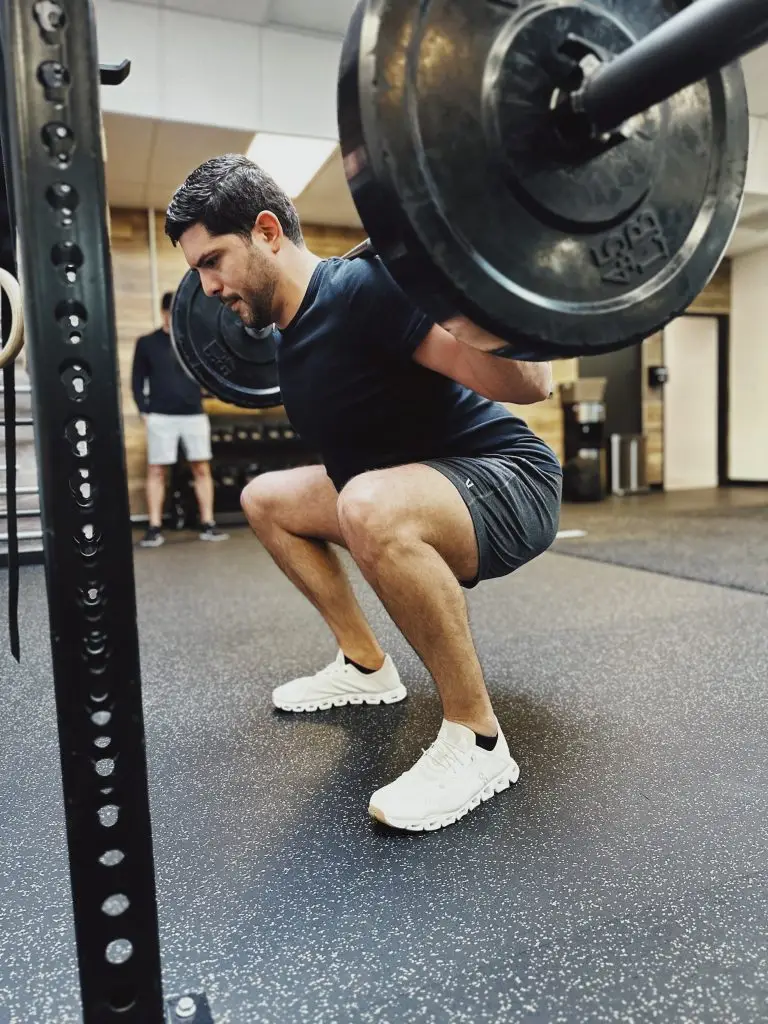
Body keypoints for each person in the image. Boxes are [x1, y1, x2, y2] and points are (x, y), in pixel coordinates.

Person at [164, 155, 562, 832]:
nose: (204, 288)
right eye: (197, 270)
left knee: (366, 504)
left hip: (506, 477)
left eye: (213, 262)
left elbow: (529, 385)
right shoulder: (289, 332)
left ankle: (479, 740)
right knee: (266, 498)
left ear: (266, 231)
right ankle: (366, 666)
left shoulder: (364, 288)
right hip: (409, 480)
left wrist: (478, 277)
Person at [131, 291, 229, 547]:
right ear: (163, 313)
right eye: (169, 312)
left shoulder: (192, 343)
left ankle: (208, 523)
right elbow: (136, 381)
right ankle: (154, 527)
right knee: (156, 471)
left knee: (201, 468)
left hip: (193, 414)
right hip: (161, 416)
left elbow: (210, 372)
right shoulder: (147, 343)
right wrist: (145, 412)